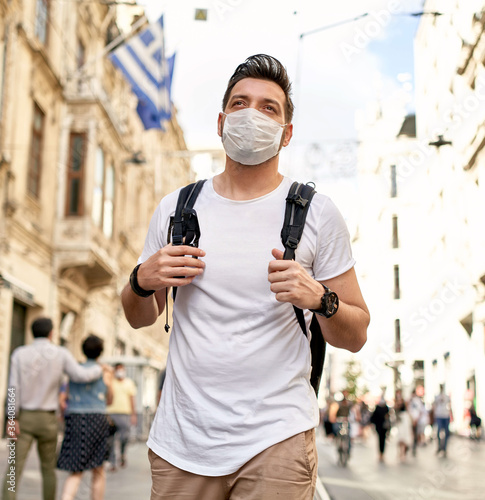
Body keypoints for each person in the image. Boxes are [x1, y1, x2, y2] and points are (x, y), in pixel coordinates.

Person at [121, 54, 370, 500]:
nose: (252, 114)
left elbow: (356, 334)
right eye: (240, 103)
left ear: (286, 133)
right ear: (221, 121)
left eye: (269, 107)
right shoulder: (178, 209)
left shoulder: (316, 212)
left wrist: (320, 299)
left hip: (277, 440)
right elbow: (139, 317)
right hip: (183, 443)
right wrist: (142, 279)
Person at [2, 317, 103, 500]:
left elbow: (12, 388)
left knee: (13, 467)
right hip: (48, 419)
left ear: (32, 332)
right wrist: (99, 369)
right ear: (51, 333)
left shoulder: (19, 354)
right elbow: (80, 375)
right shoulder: (61, 353)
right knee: (48, 469)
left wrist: (11, 418)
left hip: (23, 418)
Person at [57, 335, 113, 500]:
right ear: (100, 352)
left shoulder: (75, 370)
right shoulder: (104, 371)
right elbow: (110, 400)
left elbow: (63, 398)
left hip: (75, 418)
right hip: (97, 420)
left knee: (76, 470)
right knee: (98, 470)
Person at [106, 363, 137, 470]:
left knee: (124, 437)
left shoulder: (129, 383)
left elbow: (132, 399)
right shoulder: (111, 383)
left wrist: (134, 414)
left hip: (125, 414)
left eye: (121, 369)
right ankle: (113, 462)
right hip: (111, 414)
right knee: (110, 440)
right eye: (118, 369)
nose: (120, 372)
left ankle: (123, 454)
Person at [433, 384, 452, 456]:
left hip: (445, 415)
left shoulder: (447, 396)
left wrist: (451, 414)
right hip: (439, 415)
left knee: (446, 432)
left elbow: (449, 405)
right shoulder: (437, 396)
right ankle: (439, 447)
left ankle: (444, 448)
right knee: (439, 432)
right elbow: (434, 405)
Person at [370, 395, 390, 463]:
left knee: (383, 440)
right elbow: (373, 417)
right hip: (379, 426)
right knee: (380, 439)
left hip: (383, 426)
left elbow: (388, 417)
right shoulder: (378, 408)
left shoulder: (386, 408)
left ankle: (382, 453)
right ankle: (380, 453)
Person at [394, 391, 412, 462]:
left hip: (405, 420)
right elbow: (395, 410)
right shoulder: (396, 403)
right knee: (400, 437)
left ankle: (403, 453)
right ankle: (399, 452)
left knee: (404, 436)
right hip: (399, 420)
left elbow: (407, 410)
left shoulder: (405, 402)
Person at [408, 389, 426, 455]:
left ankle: (414, 448)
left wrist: (416, 420)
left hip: (416, 420)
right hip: (411, 420)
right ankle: (411, 447)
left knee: (415, 434)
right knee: (411, 434)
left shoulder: (417, 401)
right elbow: (409, 410)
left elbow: (420, 411)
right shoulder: (410, 401)